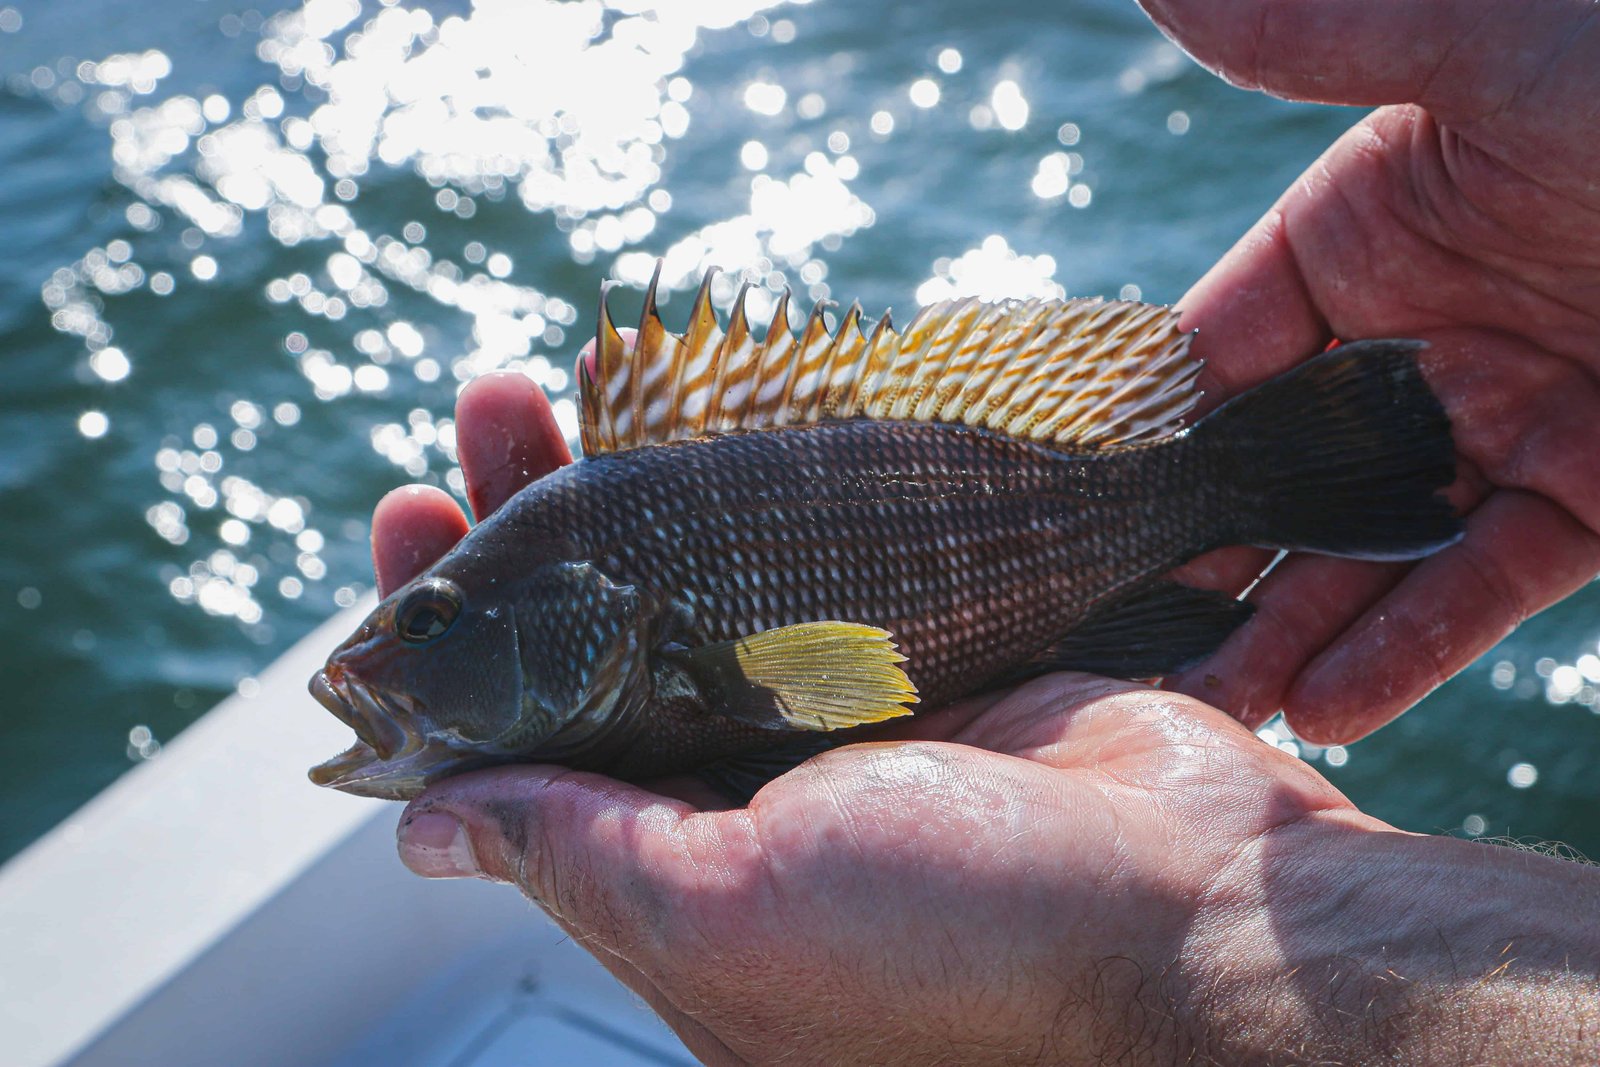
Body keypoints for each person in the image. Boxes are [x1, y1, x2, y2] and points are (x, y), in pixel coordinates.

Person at [374, 0, 1600, 1060]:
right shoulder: (594, 570)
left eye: (429, 619)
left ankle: (1263, 469)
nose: (379, 665)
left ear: (577, 601)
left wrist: (1157, 966)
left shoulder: (622, 595)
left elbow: (838, 674)